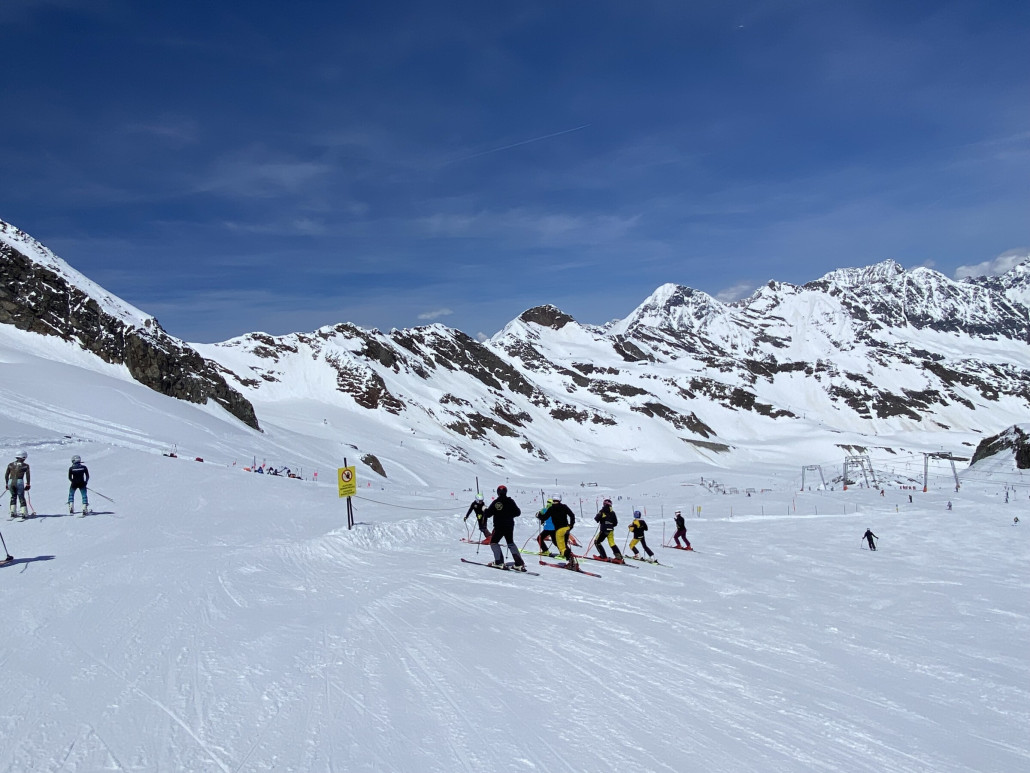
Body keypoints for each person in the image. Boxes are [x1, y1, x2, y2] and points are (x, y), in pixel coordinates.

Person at [487, 485, 527, 571]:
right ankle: (519, 563)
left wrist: (484, 509)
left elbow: (488, 514)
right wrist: (508, 514)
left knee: (494, 542)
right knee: (510, 543)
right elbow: (518, 512)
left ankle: (499, 562)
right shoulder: (510, 501)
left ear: (498, 492)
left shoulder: (496, 502)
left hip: (499, 526)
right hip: (509, 525)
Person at [545, 494, 578, 569]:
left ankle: (571, 562)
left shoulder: (551, 508)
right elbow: (572, 515)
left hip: (559, 531)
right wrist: (571, 525)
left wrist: (538, 515)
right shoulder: (564, 506)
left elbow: (544, 517)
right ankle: (571, 561)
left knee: (562, 549)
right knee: (565, 545)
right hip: (566, 528)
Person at [5, 451, 30, 519]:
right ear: (23, 457)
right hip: (19, 481)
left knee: (13, 496)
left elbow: (6, 474)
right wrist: (28, 484)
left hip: (10, 481)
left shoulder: (10, 464)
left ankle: (13, 512)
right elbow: (28, 476)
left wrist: (7, 483)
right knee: (21, 496)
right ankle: (24, 513)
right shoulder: (25, 466)